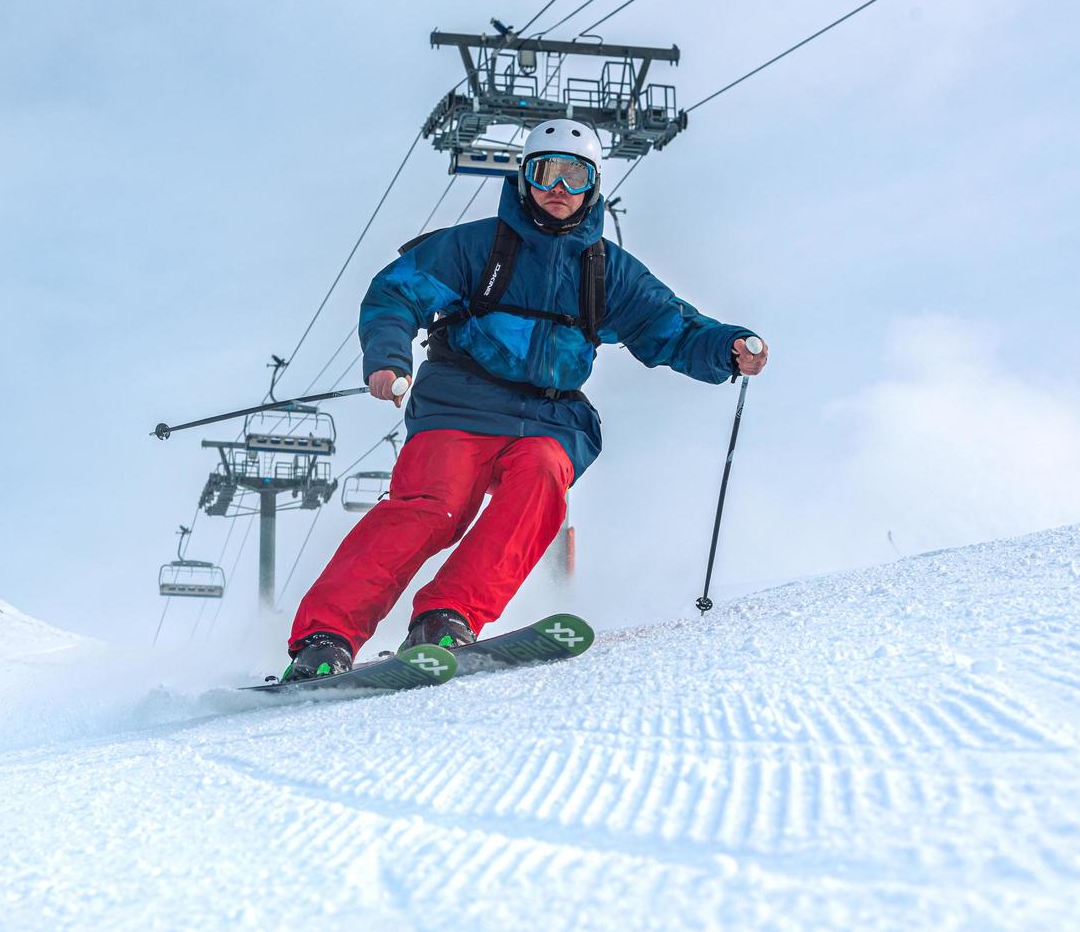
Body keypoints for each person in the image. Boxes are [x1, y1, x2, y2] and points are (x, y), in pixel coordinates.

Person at [281, 118, 768, 681]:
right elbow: (396, 293)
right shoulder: (475, 247)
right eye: (546, 173)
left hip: (549, 415)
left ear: (593, 185)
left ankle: (448, 616)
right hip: (458, 404)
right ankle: (326, 637)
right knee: (433, 506)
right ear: (524, 177)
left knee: (542, 478)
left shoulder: (606, 270)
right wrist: (388, 358)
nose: (558, 190)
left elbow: (673, 327)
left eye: (574, 176)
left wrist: (725, 347)